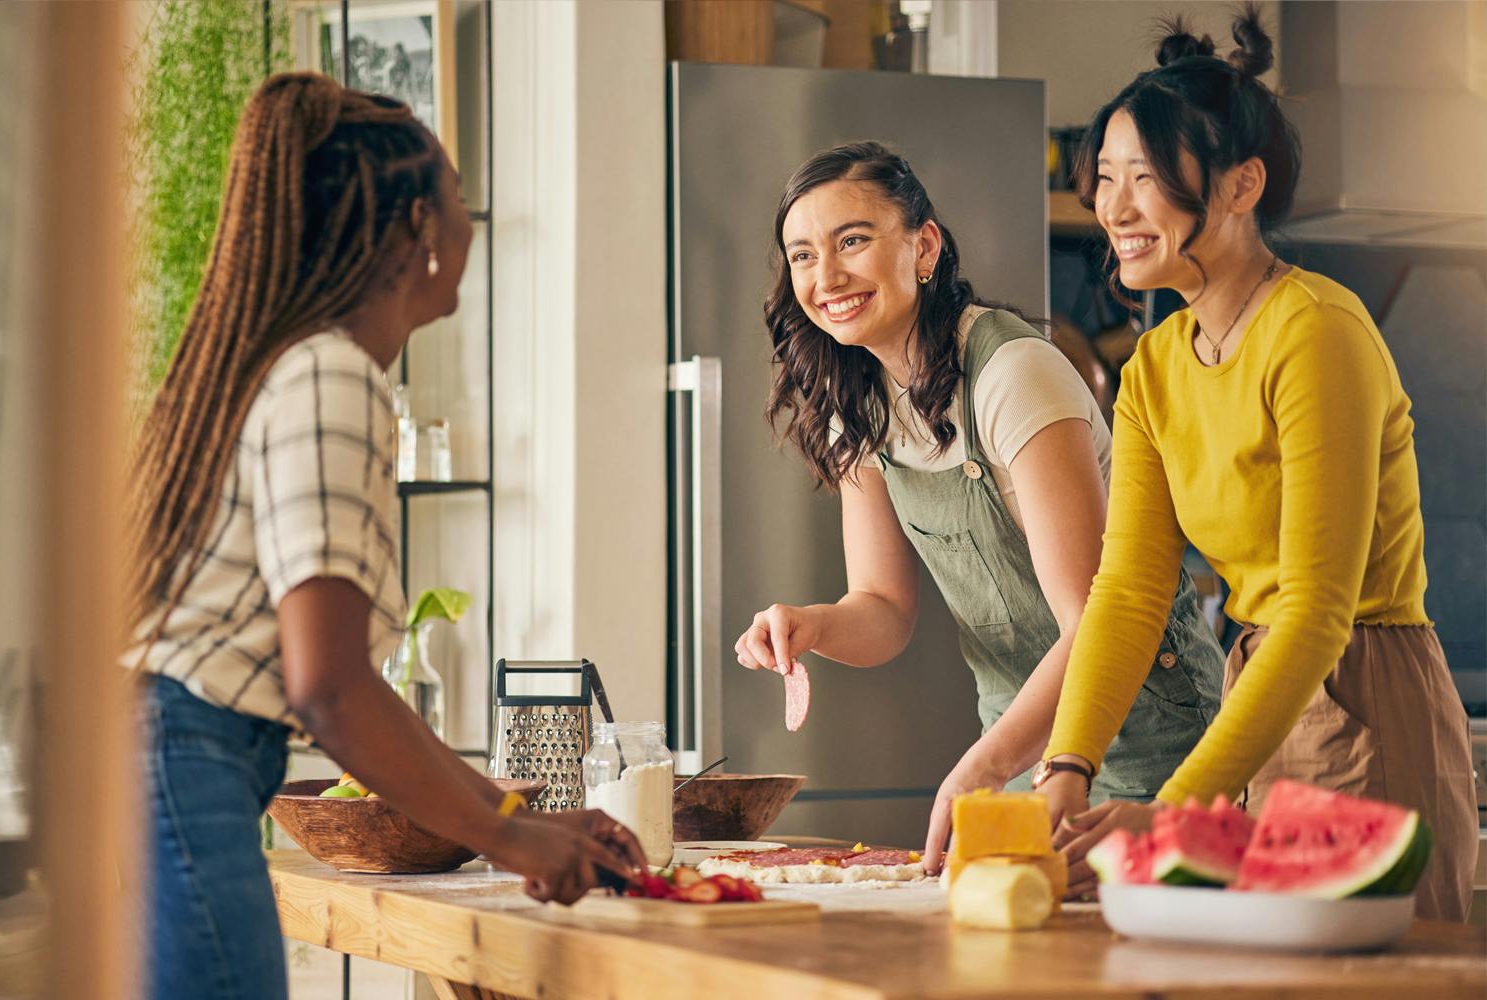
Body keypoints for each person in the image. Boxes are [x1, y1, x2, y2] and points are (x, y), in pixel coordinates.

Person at [124, 73, 643, 999]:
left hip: (167, 763)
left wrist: (523, 814)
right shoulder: (333, 375)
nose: (469, 219)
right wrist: (511, 837)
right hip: (184, 766)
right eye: (455, 192)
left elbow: (340, 688)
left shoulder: (294, 365)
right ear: (417, 229)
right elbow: (332, 689)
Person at [1036, 10, 1477, 921]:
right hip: (1258, 701)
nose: (1113, 208)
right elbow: (1128, 590)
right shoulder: (1154, 367)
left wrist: (1166, 814)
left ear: (1241, 186)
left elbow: (1316, 612)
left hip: (1365, 691)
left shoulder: (1316, 331)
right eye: (1105, 179)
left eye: (1147, 179)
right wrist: (1066, 767)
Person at [731, 142, 1225, 876]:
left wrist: (984, 764)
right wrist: (814, 625)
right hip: (1021, 755)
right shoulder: (858, 403)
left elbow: (1092, 620)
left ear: (924, 246)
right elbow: (884, 608)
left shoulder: (1012, 376)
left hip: (1150, 738)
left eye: (853, 241)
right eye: (802, 255)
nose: (825, 276)